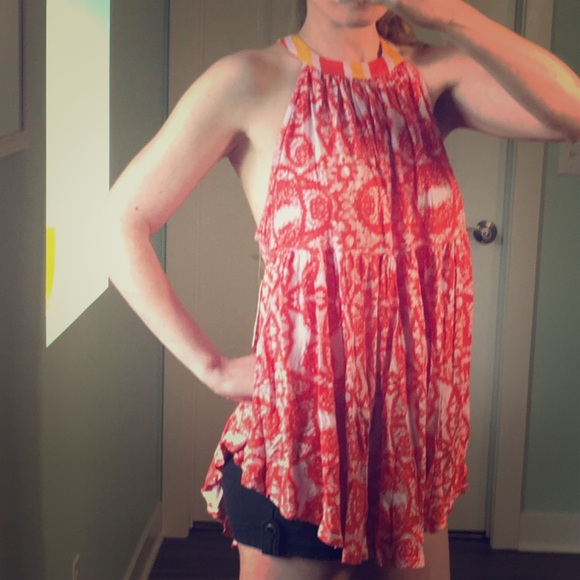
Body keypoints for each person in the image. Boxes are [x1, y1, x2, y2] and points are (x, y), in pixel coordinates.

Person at [106, 1, 580, 578]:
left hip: (406, 456)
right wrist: (215, 369)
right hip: (304, 461)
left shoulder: (429, 78)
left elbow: (573, 112)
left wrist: (452, 16)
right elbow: (121, 223)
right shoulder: (248, 80)